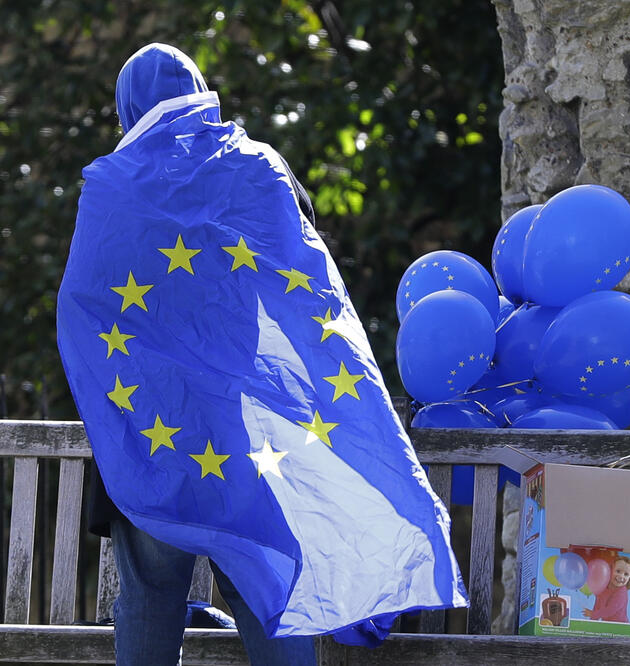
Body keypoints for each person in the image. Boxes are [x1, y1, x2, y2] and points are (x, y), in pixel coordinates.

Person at [61, 42, 466, 665]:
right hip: (243, 433)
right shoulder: (256, 167)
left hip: (146, 432)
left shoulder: (111, 187)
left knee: (148, 595)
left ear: (127, 110)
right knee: (266, 581)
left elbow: (82, 307)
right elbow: (298, 277)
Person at [582, 555, 630, 623]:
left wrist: (593, 614)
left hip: (620, 624)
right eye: (618, 571)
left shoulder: (621, 592)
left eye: (626, 574)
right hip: (607, 623)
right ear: (610, 570)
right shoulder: (604, 586)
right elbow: (598, 604)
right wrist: (592, 621)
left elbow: (610, 610)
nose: (621, 576)